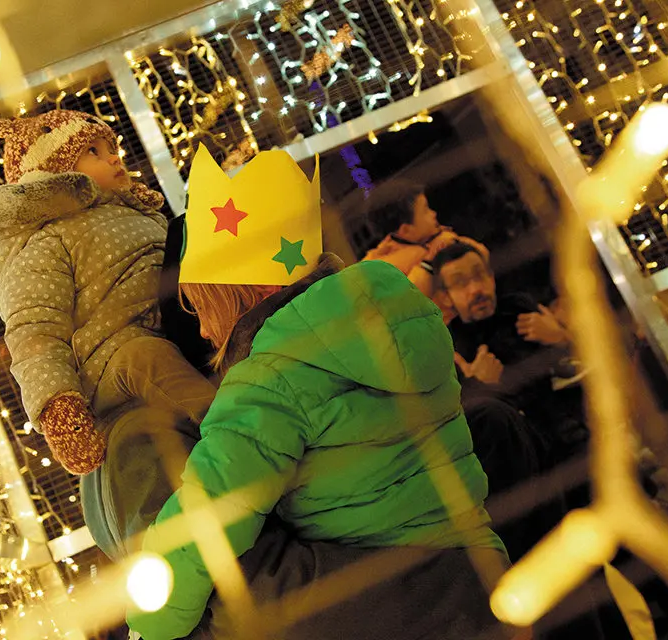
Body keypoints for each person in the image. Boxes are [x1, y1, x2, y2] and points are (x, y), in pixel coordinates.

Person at [128, 146, 515, 640]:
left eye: (203, 305)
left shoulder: (269, 379)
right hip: (481, 570)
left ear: (239, 293)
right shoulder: (399, 315)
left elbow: (208, 517)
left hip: (396, 608)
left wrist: (149, 623)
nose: (204, 329)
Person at [0, 110, 216, 559]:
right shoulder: (43, 240)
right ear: (53, 171)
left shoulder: (137, 213)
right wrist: (58, 405)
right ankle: (235, 428)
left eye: (112, 148)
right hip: (110, 367)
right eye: (93, 151)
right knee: (147, 358)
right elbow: (34, 330)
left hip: (174, 330)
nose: (113, 159)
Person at [431, 242, 585, 467]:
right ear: (445, 297)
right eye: (460, 283)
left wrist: (560, 338)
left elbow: (577, 366)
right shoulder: (448, 349)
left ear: (492, 277)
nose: (476, 289)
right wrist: (479, 385)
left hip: (566, 433)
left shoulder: (518, 308)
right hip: (518, 456)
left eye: (480, 275)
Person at [363, 181, 489, 323]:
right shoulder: (381, 268)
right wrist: (427, 264)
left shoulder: (438, 238)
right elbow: (404, 304)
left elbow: (482, 255)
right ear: (406, 230)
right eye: (425, 210)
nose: (433, 214)